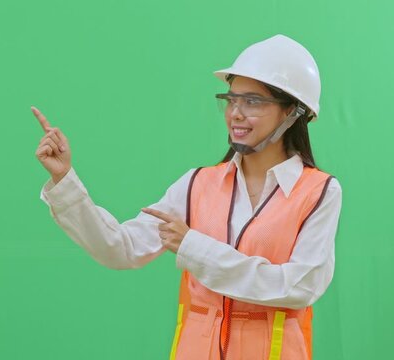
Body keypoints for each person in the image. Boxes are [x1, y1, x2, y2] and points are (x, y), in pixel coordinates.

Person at [34, 34, 342, 360]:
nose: (235, 113)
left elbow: (299, 287)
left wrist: (194, 247)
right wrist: (64, 179)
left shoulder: (318, 192)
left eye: (252, 101)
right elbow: (120, 249)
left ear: (293, 112)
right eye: (231, 99)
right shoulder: (197, 184)